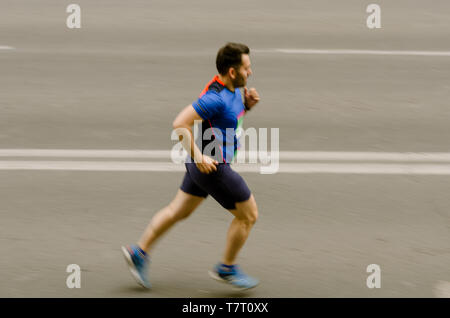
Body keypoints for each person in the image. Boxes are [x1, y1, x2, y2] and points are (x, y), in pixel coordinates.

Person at [122, 42, 261, 290]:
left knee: (178, 211)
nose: (250, 72)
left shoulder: (233, 89)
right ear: (232, 71)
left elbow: (228, 120)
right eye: (246, 68)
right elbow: (179, 124)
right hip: (212, 167)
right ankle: (226, 268)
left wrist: (247, 106)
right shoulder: (215, 98)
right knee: (249, 216)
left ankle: (138, 254)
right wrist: (199, 156)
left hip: (202, 165)